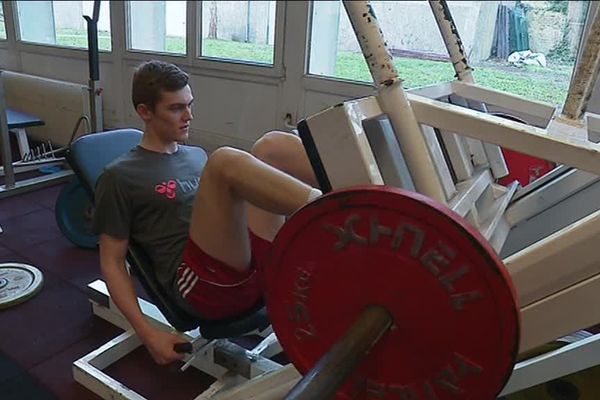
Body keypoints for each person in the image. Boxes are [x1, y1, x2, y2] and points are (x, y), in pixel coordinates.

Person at [92, 60, 321, 365]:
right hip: (200, 287)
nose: (189, 116)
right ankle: (333, 218)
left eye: (190, 105)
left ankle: (365, 196)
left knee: (271, 146)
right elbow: (112, 260)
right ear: (145, 112)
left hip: (251, 269)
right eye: (176, 109)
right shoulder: (119, 176)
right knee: (225, 160)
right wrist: (149, 335)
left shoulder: (196, 156)